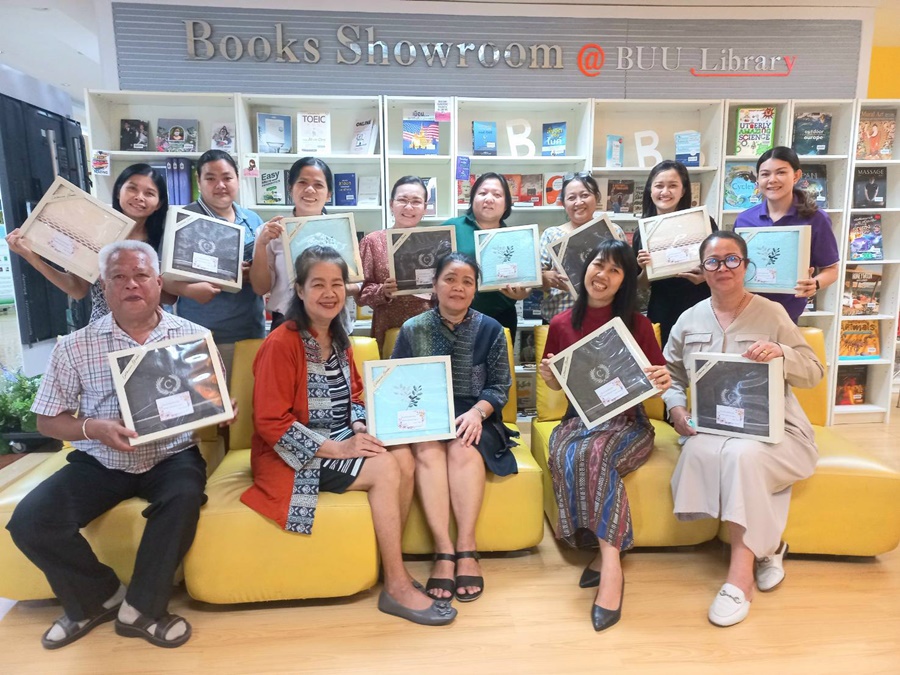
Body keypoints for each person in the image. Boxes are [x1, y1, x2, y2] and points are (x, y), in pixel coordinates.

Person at [6, 240, 234, 649]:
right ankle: (98, 597)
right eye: (119, 277)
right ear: (104, 286)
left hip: (171, 455)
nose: (132, 284)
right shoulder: (74, 346)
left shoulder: (194, 336)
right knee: (31, 520)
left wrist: (219, 409)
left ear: (158, 283)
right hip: (102, 459)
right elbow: (47, 420)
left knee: (183, 497)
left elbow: (210, 400)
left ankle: (142, 609)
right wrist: (93, 428)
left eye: (141, 275)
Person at [242, 246, 456, 627]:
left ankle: (390, 566)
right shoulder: (281, 343)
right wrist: (339, 448)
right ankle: (396, 585)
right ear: (299, 290)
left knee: (403, 455)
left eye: (337, 284)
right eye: (318, 284)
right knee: (385, 469)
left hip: (340, 436)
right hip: (291, 455)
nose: (329, 293)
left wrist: (358, 427)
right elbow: (270, 422)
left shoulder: (338, 337)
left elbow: (356, 395)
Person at [662, 230, 823, 628]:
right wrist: (677, 408)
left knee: (743, 455)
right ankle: (770, 548)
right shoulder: (688, 319)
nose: (723, 268)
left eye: (732, 259)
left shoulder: (772, 313)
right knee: (701, 450)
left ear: (746, 265)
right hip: (715, 428)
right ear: (702, 270)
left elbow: (813, 372)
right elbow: (670, 375)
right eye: (713, 261)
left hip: (777, 430)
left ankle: (740, 576)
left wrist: (782, 352)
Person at [538, 239, 671, 632]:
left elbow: (656, 384)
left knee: (593, 453)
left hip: (628, 422)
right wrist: (549, 377)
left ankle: (611, 569)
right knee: (566, 452)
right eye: (599, 264)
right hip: (578, 420)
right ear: (586, 269)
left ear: (624, 281)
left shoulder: (638, 325)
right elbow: (559, 383)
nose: (603, 275)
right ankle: (603, 551)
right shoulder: (561, 324)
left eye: (615, 270)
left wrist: (662, 380)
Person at [391, 252, 518, 603]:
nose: (457, 287)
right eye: (449, 279)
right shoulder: (412, 329)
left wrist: (477, 413)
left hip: (475, 416)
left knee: (464, 448)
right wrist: (413, 417)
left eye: (467, 281)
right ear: (434, 285)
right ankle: (444, 551)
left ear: (475, 290)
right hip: (427, 416)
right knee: (427, 450)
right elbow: (396, 384)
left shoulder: (492, 329)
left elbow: (500, 387)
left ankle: (466, 547)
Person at [6, 163, 169, 322]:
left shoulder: (165, 240)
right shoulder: (93, 231)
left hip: (150, 326)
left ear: (159, 203)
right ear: (119, 191)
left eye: (149, 193)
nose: (139, 197)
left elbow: (171, 297)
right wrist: (33, 258)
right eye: (132, 188)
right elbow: (77, 289)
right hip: (103, 325)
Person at [167, 149, 265, 375]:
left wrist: (252, 273)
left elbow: (266, 274)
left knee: (248, 396)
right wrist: (190, 290)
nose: (220, 185)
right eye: (210, 178)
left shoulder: (252, 220)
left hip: (251, 332)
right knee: (209, 398)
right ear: (198, 181)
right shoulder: (184, 220)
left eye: (227, 177)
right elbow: (164, 279)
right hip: (201, 336)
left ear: (237, 179)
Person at [249, 156, 356, 333]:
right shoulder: (270, 231)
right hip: (286, 322)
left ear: (329, 194)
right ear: (290, 189)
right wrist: (261, 245)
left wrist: (325, 288)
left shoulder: (341, 228)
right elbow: (260, 288)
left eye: (318, 185)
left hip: (333, 322)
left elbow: (354, 283)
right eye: (302, 182)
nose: (310, 190)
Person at [733, 146, 840, 324]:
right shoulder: (744, 220)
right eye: (765, 174)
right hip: (744, 312)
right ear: (757, 179)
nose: (772, 180)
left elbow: (831, 269)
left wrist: (815, 284)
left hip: (787, 317)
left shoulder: (816, 219)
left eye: (781, 172)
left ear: (796, 176)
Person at [633, 160, 718, 346]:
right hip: (662, 308)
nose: (665, 192)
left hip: (698, 304)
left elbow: (720, 265)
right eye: (659, 186)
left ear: (683, 190)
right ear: (650, 190)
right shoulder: (643, 232)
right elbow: (641, 285)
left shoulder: (703, 222)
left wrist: (705, 276)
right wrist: (645, 270)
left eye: (672, 186)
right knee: (663, 359)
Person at [442, 172, 531, 341]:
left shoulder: (516, 238)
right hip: (453, 318)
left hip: (501, 319)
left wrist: (523, 292)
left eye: (497, 195)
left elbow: (526, 279)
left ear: (506, 204)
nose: (489, 199)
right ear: (472, 199)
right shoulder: (451, 227)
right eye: (482, 193)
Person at [358, 176, 432, 352]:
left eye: (416, 201)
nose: (408, 207)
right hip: (387, 324)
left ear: (425, 208)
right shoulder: (372, 241)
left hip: (428, 325)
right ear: (391, 204)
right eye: (402, 200)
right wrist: (382, 291)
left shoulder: (435, 241)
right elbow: (360, 293)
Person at [539, 172, 605, 323]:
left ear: (596, 197)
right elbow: (535, 280)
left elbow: (624, 275)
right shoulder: (551, 235)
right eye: (571, 198)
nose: (579, 202)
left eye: (585, 195)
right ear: (563, 204)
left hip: (603, 318)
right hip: (559, 319)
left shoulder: (612, 231)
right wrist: (546, 277)